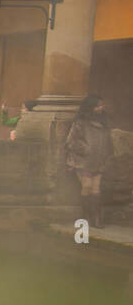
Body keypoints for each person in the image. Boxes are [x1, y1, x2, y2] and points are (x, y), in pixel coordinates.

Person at [65, 95, 113, 228]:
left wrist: (107, 154)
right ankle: (86, 216)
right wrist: (86, 149)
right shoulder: (80, 122)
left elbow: (108, 141)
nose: (101, 108)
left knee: (96, 188)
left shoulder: (104, 123)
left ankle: (96, 218)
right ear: (90, 107)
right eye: (98, 105)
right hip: (82, 161)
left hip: (99, 161)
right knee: (87, 186)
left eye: (101, 105)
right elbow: (71, 141)